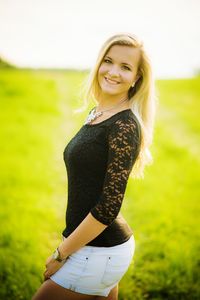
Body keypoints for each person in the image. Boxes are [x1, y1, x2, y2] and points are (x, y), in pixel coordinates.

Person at [32, 32, 156, 300]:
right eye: (108, 61)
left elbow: (108, 206)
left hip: (99, 252)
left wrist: (60, 253)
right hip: (100, 249)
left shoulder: (124, 125)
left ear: (136, 78)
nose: (113, 72)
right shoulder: (98, 113)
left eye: (125, 67)